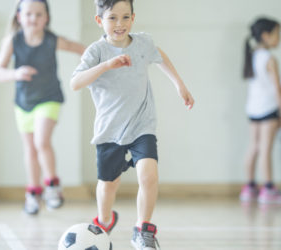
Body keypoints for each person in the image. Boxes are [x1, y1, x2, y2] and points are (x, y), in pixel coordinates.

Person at [71, 0, 194, 248]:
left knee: (149, 176)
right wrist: (106, 65)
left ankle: (143, 229)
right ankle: (105, 219)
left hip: (142, 125)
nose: (120, 24)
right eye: (113, 18)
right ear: (100, 21)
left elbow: (160, 56)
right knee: (108, 184)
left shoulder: (143, 43)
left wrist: (178, 83)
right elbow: (75, 82)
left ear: (133, 18)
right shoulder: (96, 51)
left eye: (126, 17)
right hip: (110, 130)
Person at [0, 0, 86, 215]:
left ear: (46, 18)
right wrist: (15, 74)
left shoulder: (53, 41)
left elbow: (82, 50)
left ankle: (52, 186)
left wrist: (90, 69)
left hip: (49, 98)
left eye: (38, 14)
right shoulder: (13, 41)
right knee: (30, 148)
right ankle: (33, 192)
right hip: (23, 103)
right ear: (19, 16)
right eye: (29, 14)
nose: (33, 18)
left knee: (41, 141)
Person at [240, 17, 281, 204]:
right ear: (266, 36)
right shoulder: (270, 58)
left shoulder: (252, 54)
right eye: (278, 34)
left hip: (253, 109)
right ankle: (268, 189)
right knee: (266, 148)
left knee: (254, 147)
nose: (279, 38)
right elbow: (277, 88)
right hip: (268, 108)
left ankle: (249, 187)